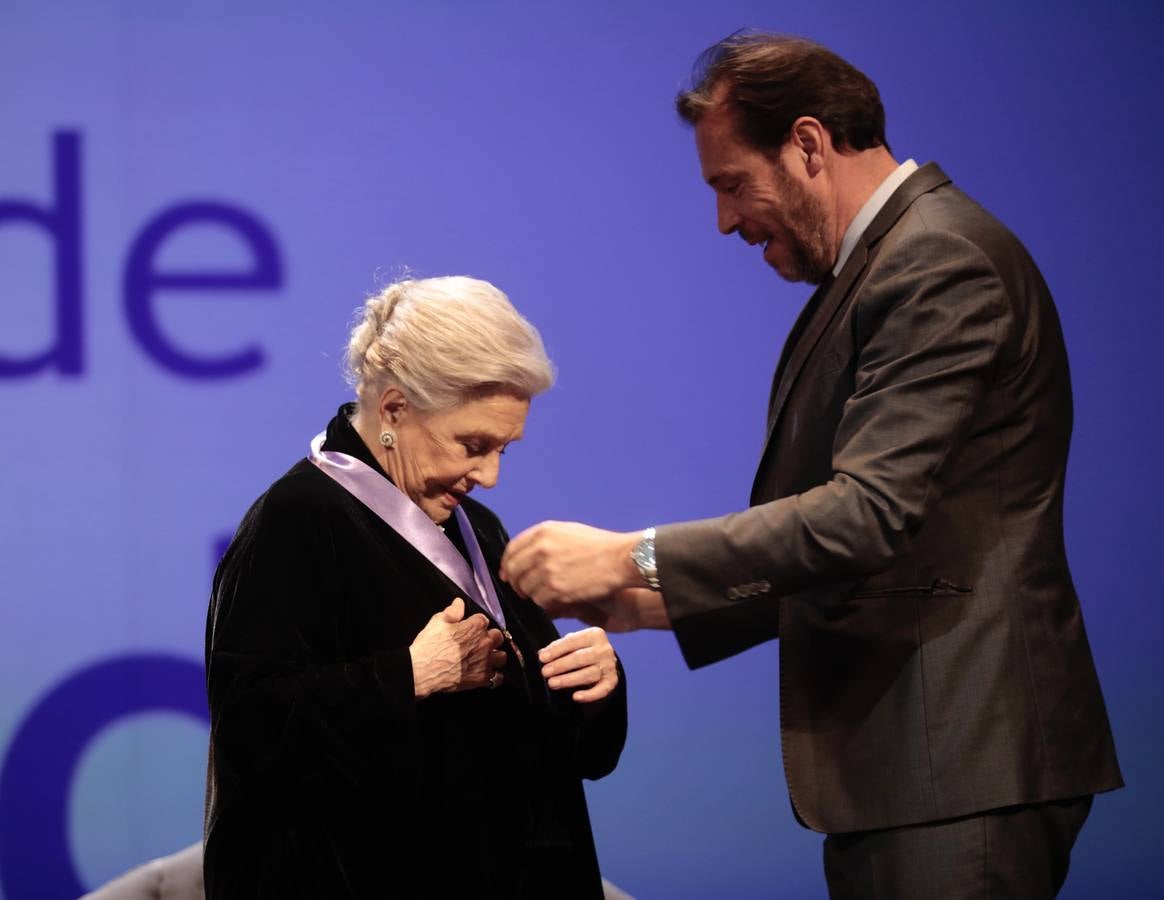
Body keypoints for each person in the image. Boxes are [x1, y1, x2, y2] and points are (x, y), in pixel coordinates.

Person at [499, 32, 1122, 899]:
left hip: (960, 766)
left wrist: (631, 552)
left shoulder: (941, 262)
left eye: (730, 185)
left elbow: (865, 516)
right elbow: (887, 549)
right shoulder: (881, 268)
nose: (724, 220)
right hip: (916, 774)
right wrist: (652, 606)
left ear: (806, 144)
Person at [203, 275, 626, 899]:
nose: (490, 475)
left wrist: (590, 683)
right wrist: (408, 676)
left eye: (504, 449)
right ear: (395, 409)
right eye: (474, 445)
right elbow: (249, 732)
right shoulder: (295, 520)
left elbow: (556, 751)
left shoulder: (476, 527)